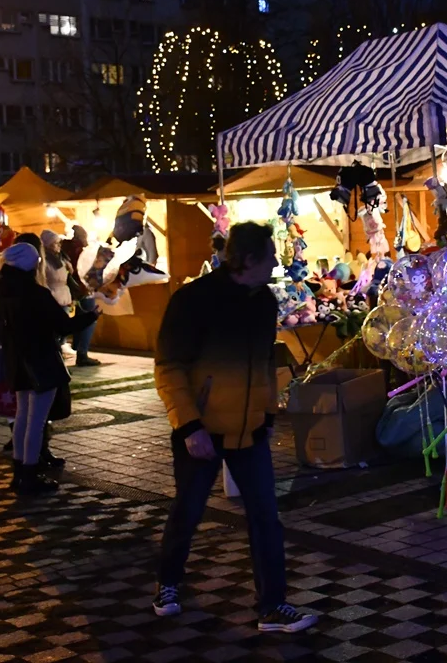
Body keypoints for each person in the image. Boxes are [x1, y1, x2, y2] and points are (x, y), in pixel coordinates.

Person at [152, 222, 316, 633]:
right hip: (201, 431)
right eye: (270, 256)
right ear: (248, 259)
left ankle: (272, 605)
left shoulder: (263, 301)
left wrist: (267, 413)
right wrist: (189, 426)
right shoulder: (194, 300)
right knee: (188, 510)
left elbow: (264, 362)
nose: (276, 262)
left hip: (251, 430)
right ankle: (168, 582)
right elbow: (169, 368)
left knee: (265, 517)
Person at [0, 242, 97, 494]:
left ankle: (19, 472)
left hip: (17, 362)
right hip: (41, 361)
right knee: (36, 422)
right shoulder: (35, 293)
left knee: (22, 418)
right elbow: (63, 325)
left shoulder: (3, 291)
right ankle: (30, 474)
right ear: (31, 266)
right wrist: (91, 316)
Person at [61, 225, 100, 367]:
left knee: (71, 320)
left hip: (66, 291)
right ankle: (82, 353)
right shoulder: (79, 251)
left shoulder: (63, 249)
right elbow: (81, 271)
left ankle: (72, 349)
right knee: (89, 318)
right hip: (81, 289)